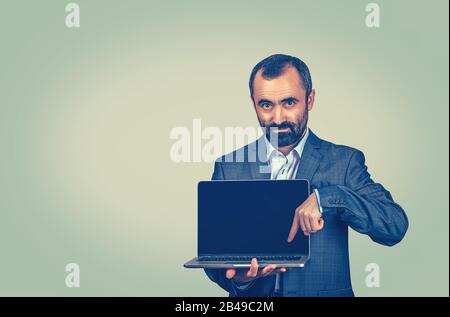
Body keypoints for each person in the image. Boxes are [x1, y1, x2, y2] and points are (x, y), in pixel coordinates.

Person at [204, 54, 408, 297]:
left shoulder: (344, 162)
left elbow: (394, 225)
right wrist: (241, 279)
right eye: (266, 104)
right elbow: (212, 257)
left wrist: (328, 198)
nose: (277, 118)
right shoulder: (229, 167)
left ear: (310, 99)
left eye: (289, 102)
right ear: (253, 103)